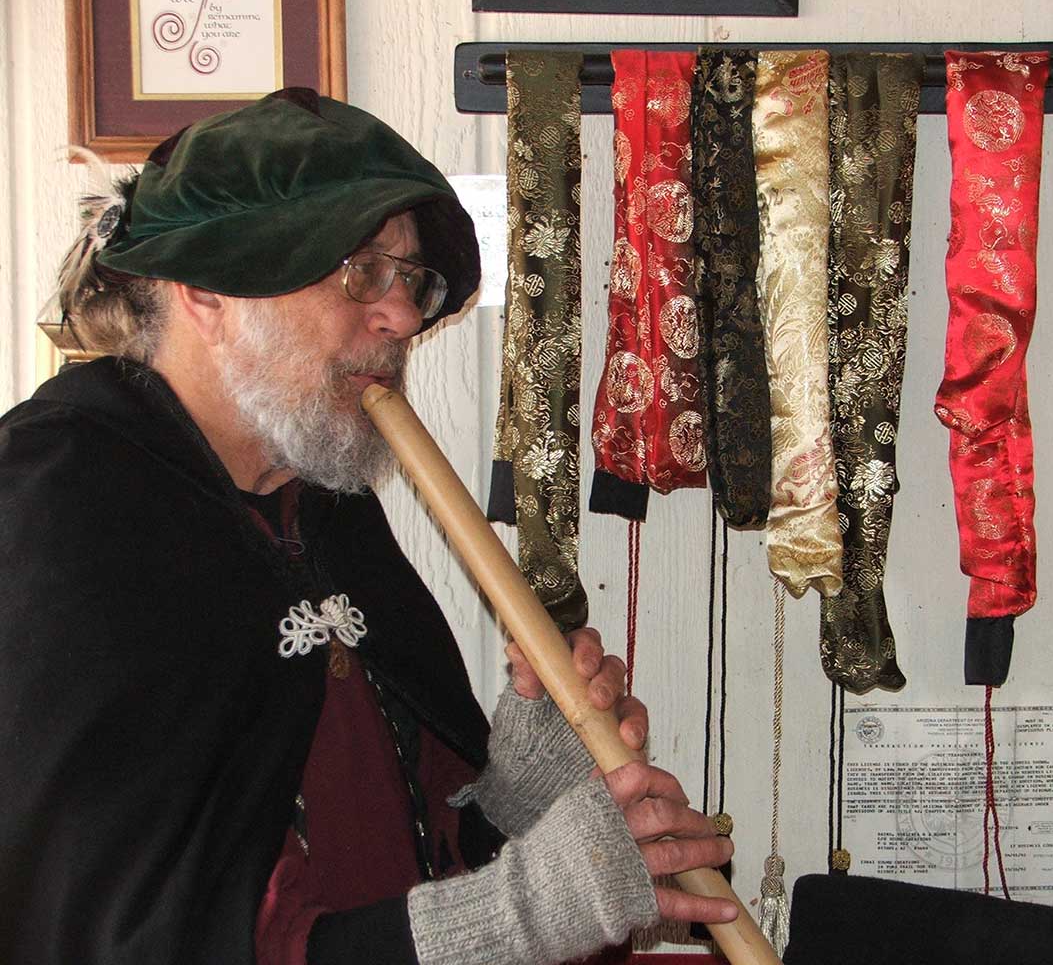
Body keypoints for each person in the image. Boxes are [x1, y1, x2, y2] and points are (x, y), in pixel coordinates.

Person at [0, 87, 736, 965]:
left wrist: (517, 803)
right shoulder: (60, 508)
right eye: (361, 271)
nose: (400, 319)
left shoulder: (326, 506)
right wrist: (522, 912)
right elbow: (119, 928)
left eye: (410, 281)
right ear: (206, 282)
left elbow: (397, 857)